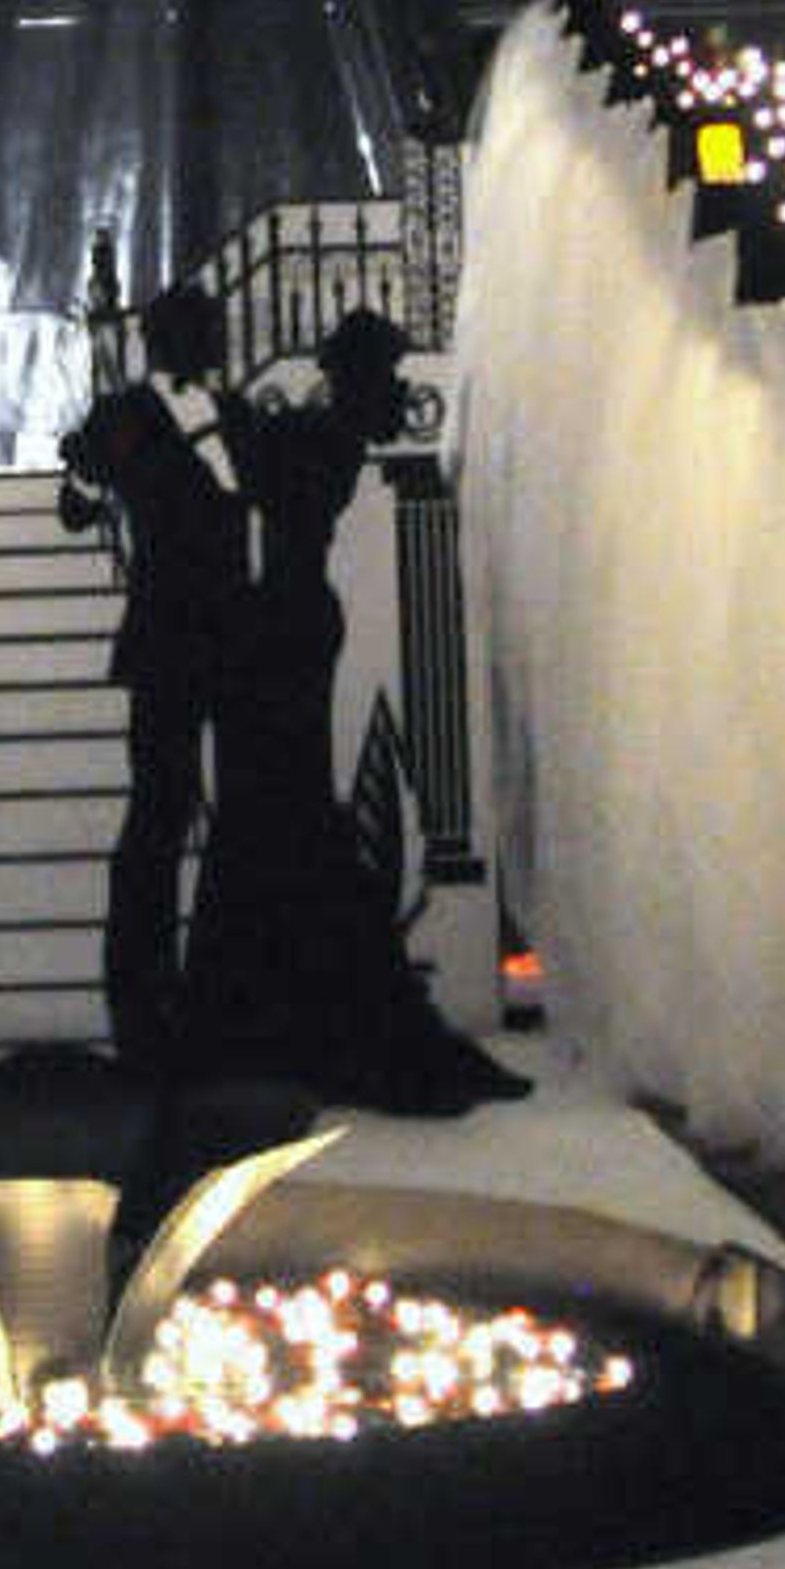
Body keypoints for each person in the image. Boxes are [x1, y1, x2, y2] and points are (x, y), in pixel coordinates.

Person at [182, 305, 523, 1113]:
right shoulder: (323, 435)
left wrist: (230, 414)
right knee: (288, 807)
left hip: (288, 623)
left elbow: (258, 473)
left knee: (283, 808)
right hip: (291, 623)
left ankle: (266, 1012)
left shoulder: (315, 437)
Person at [56, 280, 252, 1069]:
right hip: (171, 636)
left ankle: (214, 992)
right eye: (207, 331)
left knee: (223, 813)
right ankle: (141, 1000)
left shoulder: (232, 414)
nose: (214, 343)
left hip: (236, 635)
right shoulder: (129, 414)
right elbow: (74, 509)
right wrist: (89, 477)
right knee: (160, 816)